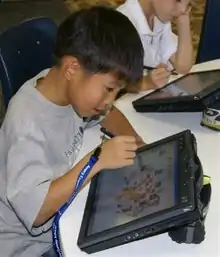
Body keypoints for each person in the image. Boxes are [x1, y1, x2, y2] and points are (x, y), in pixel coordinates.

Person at [0, 6, 145, 257]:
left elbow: (109, 115)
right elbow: (36, 213)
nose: (110, 100)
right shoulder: (26, 123)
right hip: (28, 246)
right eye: (109, 89)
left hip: (63, 212)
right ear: (71, 69)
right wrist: (95, 161)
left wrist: (139, 144)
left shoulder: (65, 90)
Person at [117, 0, 193, 91]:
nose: (183, 9)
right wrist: (145, 83)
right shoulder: (123, 23)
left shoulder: (159, 17)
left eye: (189, 3)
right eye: (178, 0)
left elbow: (183, 67)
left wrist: (184, 21)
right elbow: (115, 81)